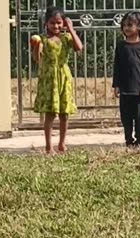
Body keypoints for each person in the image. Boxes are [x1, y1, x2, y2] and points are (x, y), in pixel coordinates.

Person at [31, 6, 83, 154]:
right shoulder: (42, 39)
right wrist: (35, 46)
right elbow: (36, 58)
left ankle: (62, 143)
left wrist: (71, 29)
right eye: (52, 23)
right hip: (49, 79)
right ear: (46, 23)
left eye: (59, 23)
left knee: (64, 113)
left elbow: (79, 47)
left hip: (64, 77)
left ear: (64, 23)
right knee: (50, 113)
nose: (56, 26)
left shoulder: (66, 38)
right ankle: (49, 146)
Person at [112, 11, 140, 147]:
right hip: (125, 89)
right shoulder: (121, 46)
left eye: (130, 25)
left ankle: (139, 141)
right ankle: (128, 140)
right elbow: (116, 66)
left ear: (139, 26)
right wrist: (116, 85)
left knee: (139, 118)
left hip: (139, 90)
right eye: (124, 25)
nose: (127, 28)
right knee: (126, 118)